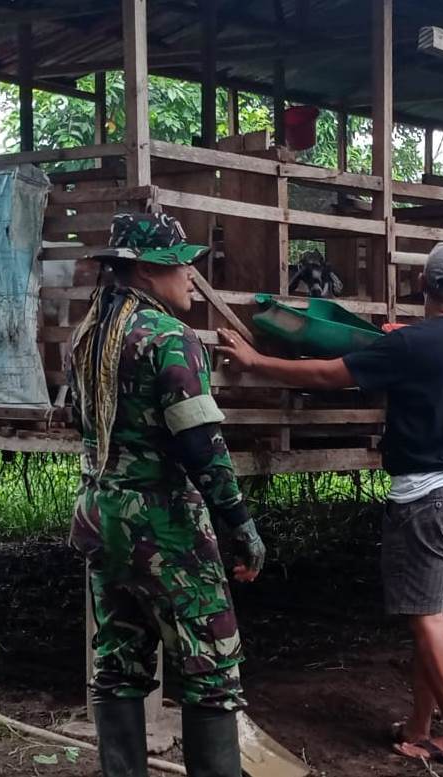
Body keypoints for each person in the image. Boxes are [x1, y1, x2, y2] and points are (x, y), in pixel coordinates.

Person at [215, 241, 443, 767]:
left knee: (428, 620)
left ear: (421, 285)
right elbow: (426, 361)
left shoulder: (412, 344)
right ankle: (420, 725)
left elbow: (329, 374)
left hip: (427, 500)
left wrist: (255, 360)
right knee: (434, 619)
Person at [69, 212, 265, 777]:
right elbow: (200, 443)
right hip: (163, 524)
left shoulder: (91, 335)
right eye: (183, 265)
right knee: (211, 669)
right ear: (152, 270)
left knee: (119, 661)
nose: (191, 277)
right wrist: (239, 523)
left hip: (103, 516)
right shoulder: (168, 339)